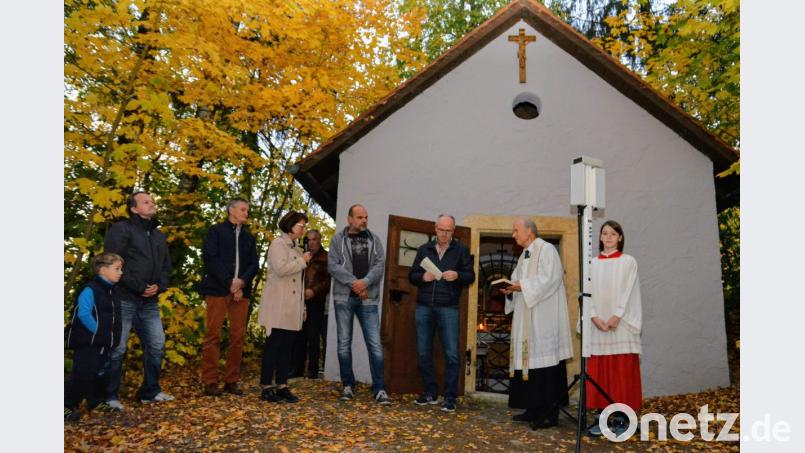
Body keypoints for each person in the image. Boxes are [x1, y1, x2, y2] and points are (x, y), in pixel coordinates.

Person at [103, 191, 173, 409]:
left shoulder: (158, 235)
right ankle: (109, 397)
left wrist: (158, 286)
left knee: (157, 345)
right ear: (134, 208)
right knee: (117, 348)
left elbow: (165, 266)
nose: (152, 204)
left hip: (150, 302)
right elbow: (114, 262)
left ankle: (150, 392)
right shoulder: (122, 229)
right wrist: (139, 287)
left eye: (152, 201)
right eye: (146, 202)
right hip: (124, 299)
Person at [501, 218, 574, 429]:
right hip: (526, 318)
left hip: (544, 318)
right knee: (529, 364)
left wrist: (520, 286)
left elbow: (549, 279)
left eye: (516, 230)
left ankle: (548, 415)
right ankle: (532, 408)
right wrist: (509, 290)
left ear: (529, 232)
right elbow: (517, 282)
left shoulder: (547, 250)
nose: (513, 235)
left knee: (545, 366)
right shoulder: (524, 256)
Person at [408, 214, 475, 412]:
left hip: (449, 307)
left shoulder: (461, 250)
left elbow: (470, 276)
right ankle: (430, 392)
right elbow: (412, 275)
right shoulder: (424, 249)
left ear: (453, 231)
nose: (444, 234)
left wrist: (458, 275)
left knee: (452, 354)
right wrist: (423, 277)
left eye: (449, 230)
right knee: (423, 352)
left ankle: (450, 397)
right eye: (441, 229)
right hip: (424, 306)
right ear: (435, 229)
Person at [583, 220, 643, 437]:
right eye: (604, 233)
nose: (608, 237)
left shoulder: (628, 262)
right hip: (599, 325)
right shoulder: (591, 264)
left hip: (621, 325)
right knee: (601, 373)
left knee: (621, 372)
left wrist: (618, 315)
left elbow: (630, 291)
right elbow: (585, 293)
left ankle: (622, 418)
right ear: (599, 237)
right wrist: (593, 317)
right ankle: (602, 417)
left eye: (613, 234)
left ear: (620, 238)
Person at [328, 204, 391, 405]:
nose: (364, 220)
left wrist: (364, 283)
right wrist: (354, 283)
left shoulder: (374, 240)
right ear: (350, 219)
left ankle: (379, 389)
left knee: (375, 345)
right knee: (343, 344)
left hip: (368, 298)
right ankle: (348, 385)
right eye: (359, 217)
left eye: (366, 216)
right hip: (343, 298)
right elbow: (333, 265)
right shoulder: (338, 239)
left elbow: (380, 265)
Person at [198, 199, 259, 396]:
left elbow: (254, 265)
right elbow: (210, 258)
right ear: (231, 210)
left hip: (241, 292)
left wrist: (241, 282)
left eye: (247, 210)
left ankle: (231, 381)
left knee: (238, 337)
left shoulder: (249, 238)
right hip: (217, 289)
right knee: (213, 335)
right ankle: (210, 382)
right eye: (243, 209)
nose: (246, 213)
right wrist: (229, 283)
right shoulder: (215, 231)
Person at [257, 211, 312, 403]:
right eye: (301, 225)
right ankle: (266, 386)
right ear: (290, 225)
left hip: (292, 306)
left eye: (304, 226)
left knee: (287, 347)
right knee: (274, 346)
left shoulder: (296, 248)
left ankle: (282, 385)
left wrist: (302, 307)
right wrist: (302, 261)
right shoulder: (278, 244)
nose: (303, 229)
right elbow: (280, 269)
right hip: (278, 304)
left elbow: (300, 282)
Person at [64, 253, 124, 422]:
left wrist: (111, 337)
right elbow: (83, 314)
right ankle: (66, 405)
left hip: (104, 342)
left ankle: (96, 402)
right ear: (103, 270)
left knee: (101, 373)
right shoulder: (90, 289)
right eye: (117, 269)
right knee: (82, 374)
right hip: (87, 343)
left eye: (121, 269)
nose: (121, 272)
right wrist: (99, 332)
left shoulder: (113, 291)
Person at [300, 229, 331, 378]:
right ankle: (297, 369)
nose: (311, 242)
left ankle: (313, 370)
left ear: (319, 241)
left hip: (317, 301)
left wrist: (314, 291)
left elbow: (329, 280)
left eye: (314, 239)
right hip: (299, 300)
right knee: (299, 335)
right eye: (308, 240)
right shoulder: (301, 255)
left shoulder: (326, 257)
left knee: (313, 336)